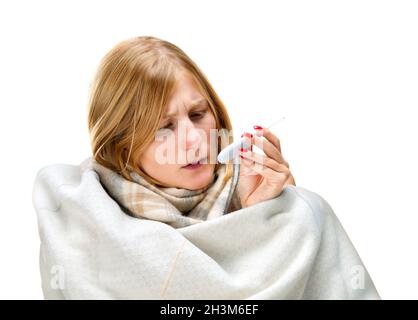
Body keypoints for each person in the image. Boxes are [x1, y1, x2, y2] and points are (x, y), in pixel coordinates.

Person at [32, 36, 380, 299]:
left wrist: (260, 222)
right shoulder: (80, 224)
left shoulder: (296, 211)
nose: (195, 139)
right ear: (121, 145)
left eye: (198, 114)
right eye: (163, 127)